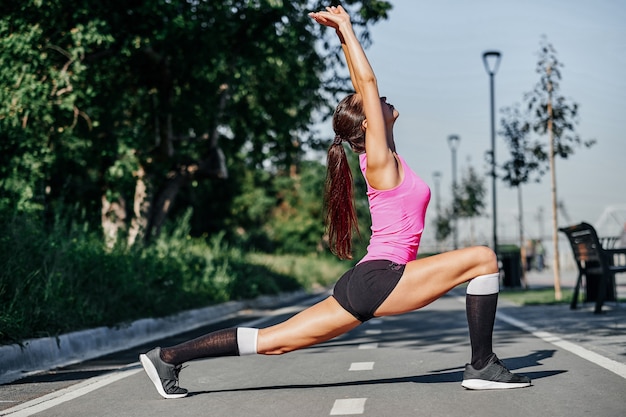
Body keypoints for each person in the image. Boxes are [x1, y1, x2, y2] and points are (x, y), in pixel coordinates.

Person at [139, 5, 531, 399]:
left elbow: (364, 87)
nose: (382, 98)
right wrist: (347, 25)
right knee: (482, 258)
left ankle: (167, 357)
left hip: (369, 279)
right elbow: (367, 81)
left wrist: (340, 38)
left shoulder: (385, 155)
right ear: (367, 125)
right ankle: (482, 365)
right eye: (374, 101)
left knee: (274, 341)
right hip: (384, 276)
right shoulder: (377, 161)